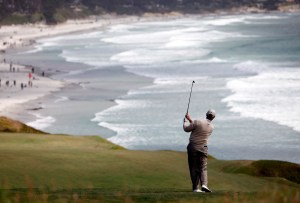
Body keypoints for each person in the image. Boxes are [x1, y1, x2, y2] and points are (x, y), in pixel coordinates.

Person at [183, 109, 216, 193]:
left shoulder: (198, 122)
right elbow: (198, 126)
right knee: (203, 167)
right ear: (213, 117)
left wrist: (184, 122)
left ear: (206, 114)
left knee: (193, 167)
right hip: (204, 148)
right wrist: (190, 120)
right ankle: (204, 184)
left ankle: (196, 188)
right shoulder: (212, 127)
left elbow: (187, 129)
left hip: (193, 147)